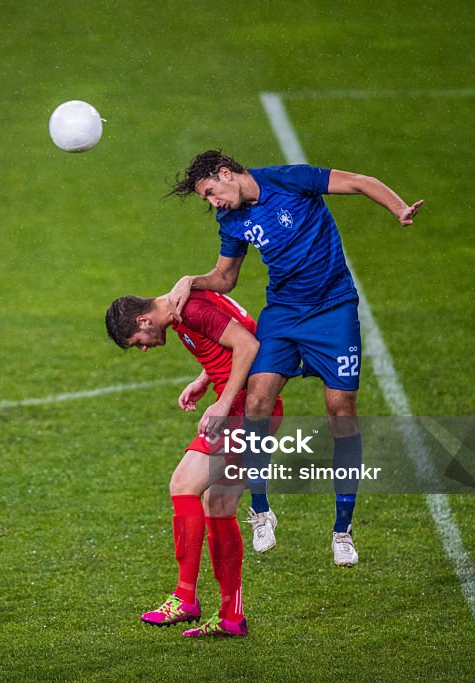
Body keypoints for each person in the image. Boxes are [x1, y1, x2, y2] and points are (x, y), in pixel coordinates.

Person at [166, 150, 423, 567]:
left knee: (341, 411)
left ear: (226, 174)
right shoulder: (230, 219)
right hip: (283, 312)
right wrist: (190, 281)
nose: (214, 203)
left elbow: (358, 180)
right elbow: (226, 278)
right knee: (256, 400)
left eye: (212, 192)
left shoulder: (290, 180)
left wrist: (398, 209)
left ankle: (342, 530)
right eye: (207, 199)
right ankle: (262, 510)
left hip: (334, 308)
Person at [105, 290, 283, 637]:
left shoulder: (192, 308)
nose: (144, 347)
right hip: (251, 407)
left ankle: (185, 597)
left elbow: (248, 344)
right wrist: (205, 380)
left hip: (243, 409)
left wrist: (222, 402)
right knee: (218, 505)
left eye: (138, 340)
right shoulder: (179, 313)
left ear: (144, 320)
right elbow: (233, 334)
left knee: (183, 484)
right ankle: (232, 616)